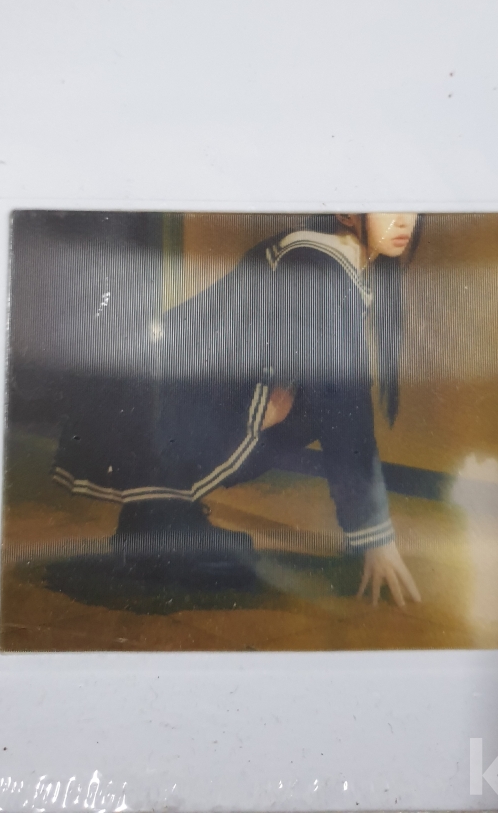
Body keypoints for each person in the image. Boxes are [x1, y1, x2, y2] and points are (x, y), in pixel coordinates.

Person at [52, 213, 422, 607]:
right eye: (388, 204)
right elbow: (342, 403)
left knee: (307, 408)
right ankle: (155, 525)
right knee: (236, 568)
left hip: (166, 393)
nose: (404, 220)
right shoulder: (319, 261)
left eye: (413, 205)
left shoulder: (324, 255)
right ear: (347, 212)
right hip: (151, 401)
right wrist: (375, 535)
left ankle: (158, 519)